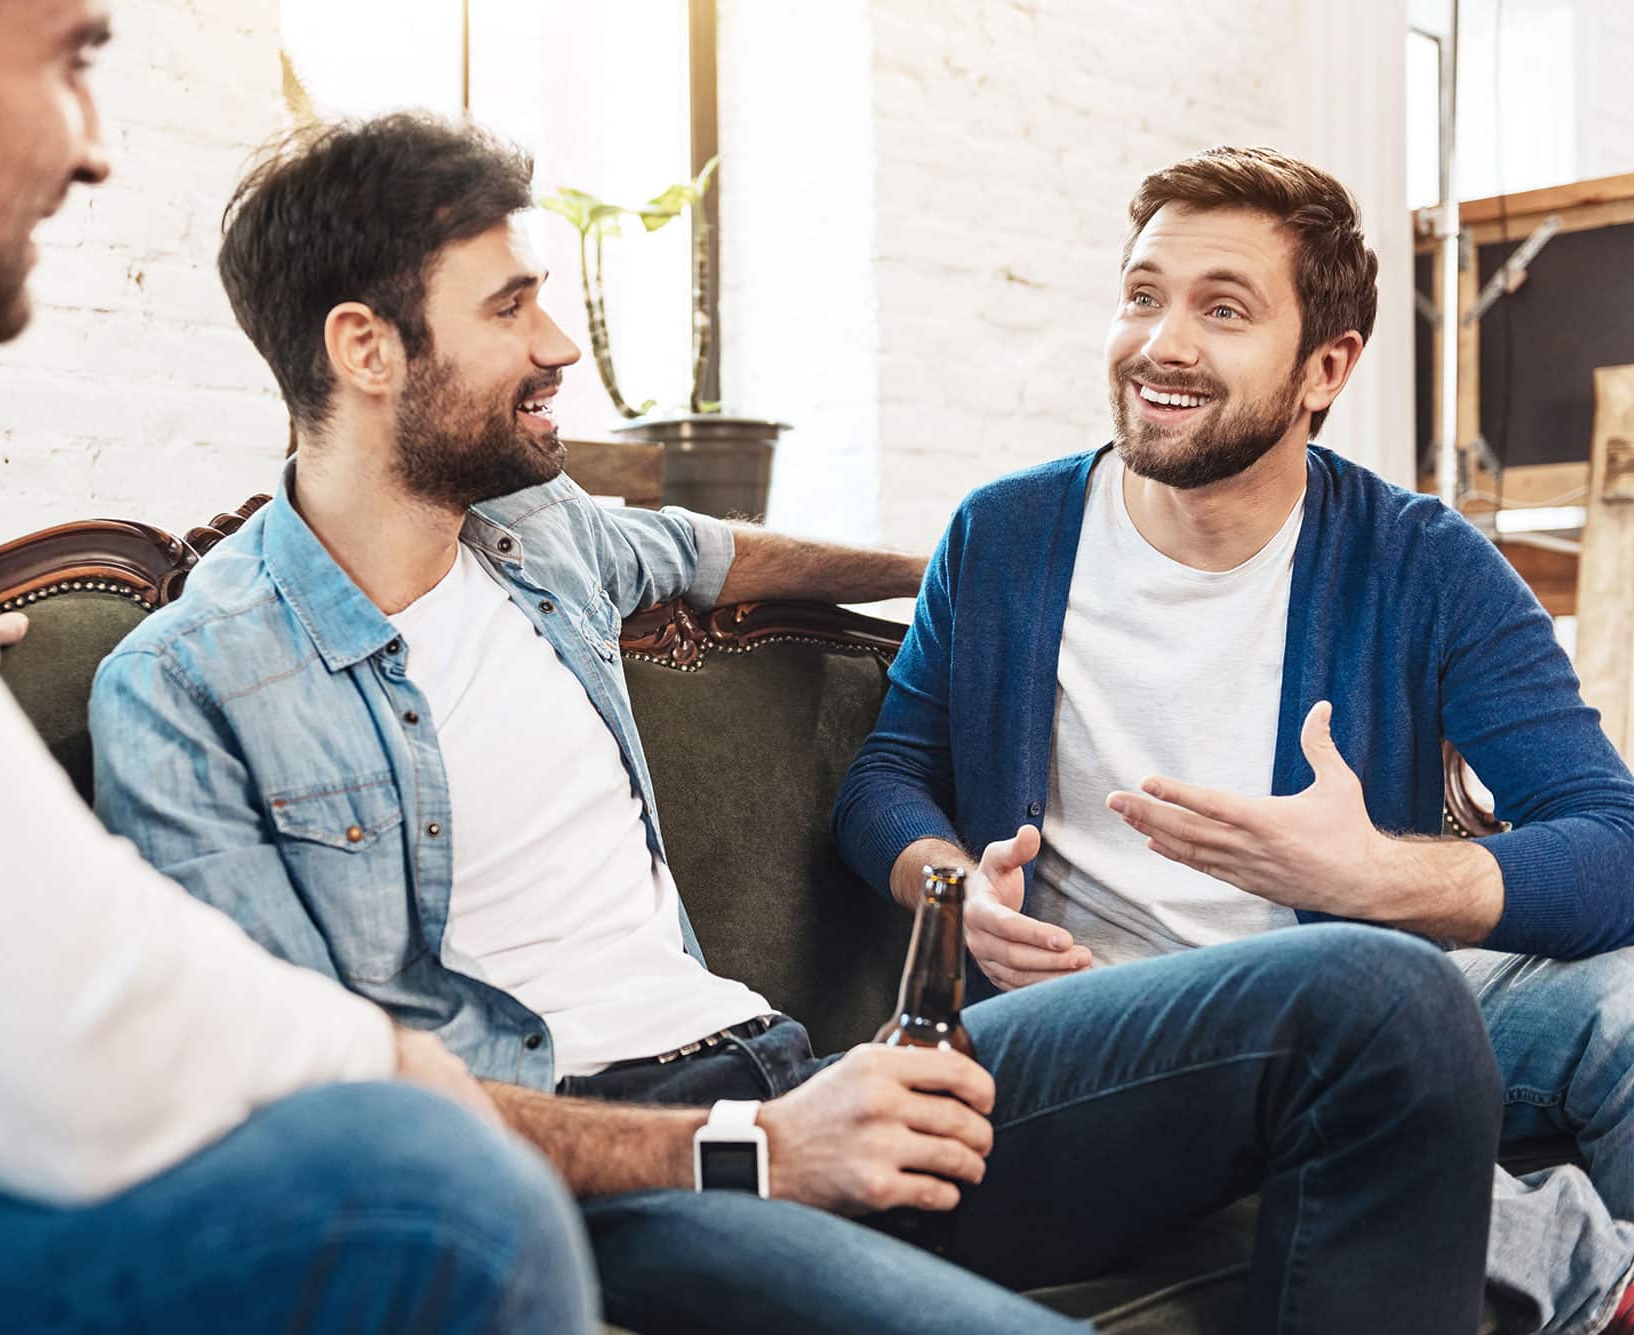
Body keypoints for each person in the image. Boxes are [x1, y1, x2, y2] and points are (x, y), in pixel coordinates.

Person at [90, 112, 1505, 1335]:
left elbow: (727, 556)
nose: (561, 344)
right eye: (511, 306)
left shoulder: (541, 538)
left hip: (805, 1072)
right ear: (366, 348)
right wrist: (748, 1147)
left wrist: (956, 567)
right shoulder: (190, 690)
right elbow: (314, 1112)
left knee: (1383, 1001)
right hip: (604, 1180)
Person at [0, 2, 598, 1331]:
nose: (93, 149)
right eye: (71, 61)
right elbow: (45, 1041)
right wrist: (385, 1059)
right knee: (422, 1198)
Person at [832, 144, 1634, 1335]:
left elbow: (1616, 845)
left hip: (1370, 999)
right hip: (1085, 1027)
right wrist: (952, 891)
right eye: (1141, 295)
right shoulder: (1003, 537)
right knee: (1354, 1049)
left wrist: (1375, 874)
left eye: (1221, 310)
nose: (1160, 342)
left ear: (1325, 367)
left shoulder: (1419, 563)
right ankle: (1585, 1272)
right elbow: (889, 775)